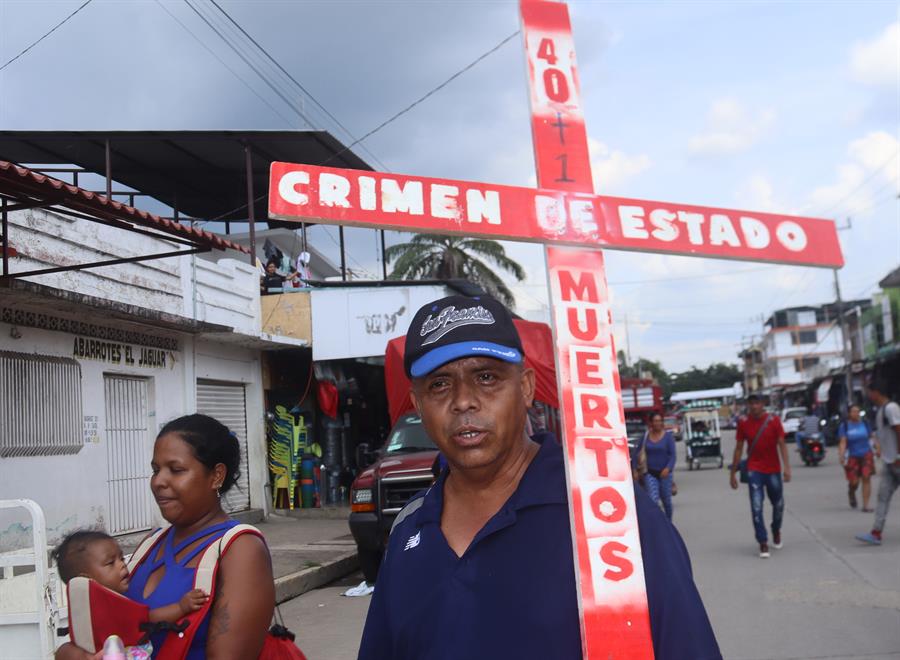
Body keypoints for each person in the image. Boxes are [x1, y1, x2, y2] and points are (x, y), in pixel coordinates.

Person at [358, 294, 721, 660]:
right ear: (418, 405)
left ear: (526, 387)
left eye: (486, 377)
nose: (463, 400)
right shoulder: (409, 532)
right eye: (439, 384)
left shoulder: (608, 515)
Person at [56, 414, 274, 659]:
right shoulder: (151, 544)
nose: (158, 481)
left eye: (176, 470)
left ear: (216, 476)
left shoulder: (241, 550)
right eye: (156, 470)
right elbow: (89, 638)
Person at [729, 394, 791, 558]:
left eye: (757, 403)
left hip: (773, 469)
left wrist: (787, 468)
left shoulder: (774, 421)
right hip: (754, 469)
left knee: (778, 504)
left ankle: (776, 529)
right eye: (752, 404)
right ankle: (762, 541)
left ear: (763, 404)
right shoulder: (743, 423)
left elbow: (782, 445)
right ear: (748, 406)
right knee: (756, 506)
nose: (755, 407)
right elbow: (739, 447)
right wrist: (732, 473)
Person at [856, 378, 900, 545]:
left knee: (883, 496)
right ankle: (876, 532)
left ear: (876, 392)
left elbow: (899, 429)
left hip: (897, 461)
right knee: (882, 496)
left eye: (869, 391)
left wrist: (898, 455)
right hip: (890, 463)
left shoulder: (891, 408)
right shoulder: (881, 410)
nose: (868, 395)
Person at [838, 404, 875, 511]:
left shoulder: (865, 423)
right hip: (852, 456)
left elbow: (871, 437)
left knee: (866, 478)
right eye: (854, 411)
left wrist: (877, 448)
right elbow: (843, 441)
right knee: (854, 482)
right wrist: (841, 455)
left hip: (866, 454)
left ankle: (866, 505)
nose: (856, 414)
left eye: (858, 411)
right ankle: (851, 491)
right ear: (849, 413)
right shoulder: (845, 426)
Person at [640, 412, 676, 520]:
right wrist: (635, 469)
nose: (658, 423)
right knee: (653, 500)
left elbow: (673, 456)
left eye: (660, 421)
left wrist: (668, 468)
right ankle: (657, 524)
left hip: (665, 473)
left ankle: (669, 522)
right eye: (655, 421)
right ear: (651, 423)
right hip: (650, 473)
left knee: (667, 501)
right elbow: (638, 452)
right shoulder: (646, 436)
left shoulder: (668, 437)